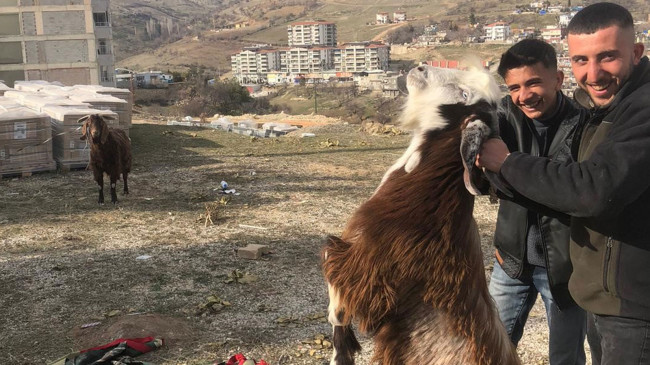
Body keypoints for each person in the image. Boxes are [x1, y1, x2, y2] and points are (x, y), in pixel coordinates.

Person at [477, 3, 650, 364]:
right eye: (582, 60)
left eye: (607, 57)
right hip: (533, 268)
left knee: (565, 357)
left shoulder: (607, 116)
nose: (594, 73)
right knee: (487, 347)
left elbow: (589, 191)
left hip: (606, 292)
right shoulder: (600, 114)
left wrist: (507, 163)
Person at [488, 38, 587, 365]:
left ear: (558, 79)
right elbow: (486, 176)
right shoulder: (503, 114)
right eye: (514, 87)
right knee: (490, 350)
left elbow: (575, 195)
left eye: (533, 83)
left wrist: (508, 171)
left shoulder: (584, 124)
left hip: (564, 268)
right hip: (510, 259)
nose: (523, 95)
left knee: (565, 358)